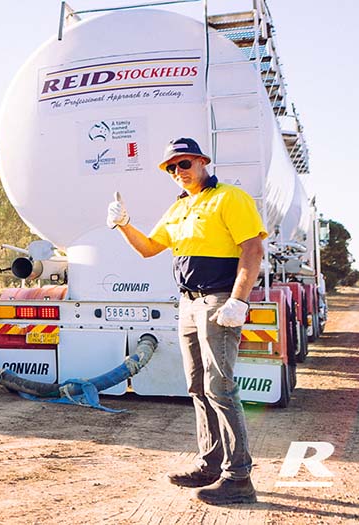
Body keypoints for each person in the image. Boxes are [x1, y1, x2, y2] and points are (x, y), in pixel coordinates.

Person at [107, 137, 266, 505]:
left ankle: (239, 477)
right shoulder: (178, 208)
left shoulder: (229, 198)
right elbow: (149, 249)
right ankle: (210, 465)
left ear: (201, 161)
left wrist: (238, 301)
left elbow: (252, 249)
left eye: (184, 164)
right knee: (197, 386)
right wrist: (124, 224)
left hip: (218, 300)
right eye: (171, 168)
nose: (178, 172)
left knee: (220, 387)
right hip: (189, 305)